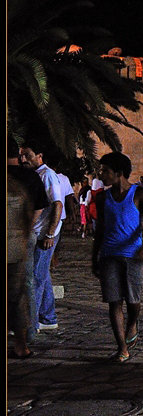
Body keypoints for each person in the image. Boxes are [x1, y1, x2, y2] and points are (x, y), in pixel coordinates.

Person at [91, 152, 143, 362]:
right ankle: (122, 348)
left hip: (133, 256)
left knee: (133, 301)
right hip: (109, 255)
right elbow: (99, 229)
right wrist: (95, 257)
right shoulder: (102, 198)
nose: (102, 174)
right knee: (114, 302)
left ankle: (133, 323)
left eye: (105, 171)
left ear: (119, 173)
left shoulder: (140, 194)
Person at [8, 141, 49, 357]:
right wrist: (27, 229)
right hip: (23, 240)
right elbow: (41, 206)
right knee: (24, 289)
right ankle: (24, 342)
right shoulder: (30, 177)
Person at [19, 143, 65, 332]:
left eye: (27, 155)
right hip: (37, 233)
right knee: (42, 274)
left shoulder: (48, 176)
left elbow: (58, 204)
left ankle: (31, 323)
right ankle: (48, 317)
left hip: (44, 234)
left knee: (35, 277)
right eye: (21, 156)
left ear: (39, 155)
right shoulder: (35, 175)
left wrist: (50, 234)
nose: (23, 160)